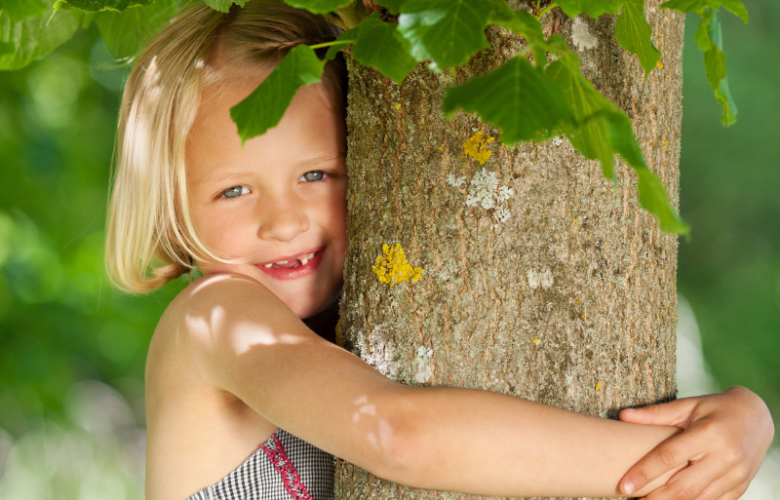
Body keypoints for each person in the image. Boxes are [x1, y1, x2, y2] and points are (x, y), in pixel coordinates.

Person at [104, 2, 775, 499]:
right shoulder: (215, 320)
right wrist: (681, 461)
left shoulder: (346, 333)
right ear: (171, 204)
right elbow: (396, 434)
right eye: (233, 190)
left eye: (315, 175)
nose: (282, 221)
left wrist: (748, 420)